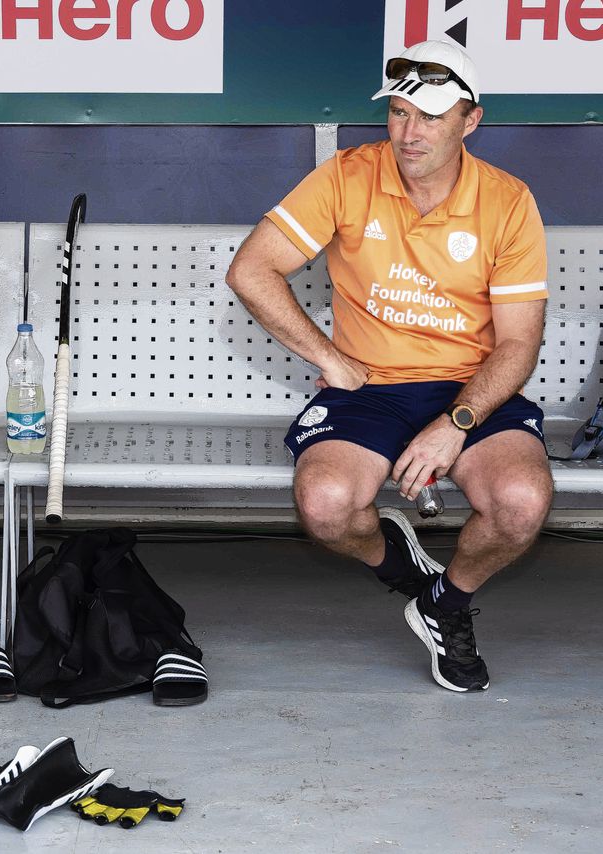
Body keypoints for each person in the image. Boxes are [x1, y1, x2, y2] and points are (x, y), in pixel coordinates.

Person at [226, 40, 552, 692]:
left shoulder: (509, 201)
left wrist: (456, 420)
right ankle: (398, 565)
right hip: (369, 385)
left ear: (472, 120)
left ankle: (443, 604)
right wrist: (329, 357)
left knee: (520, 504)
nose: (410, 132)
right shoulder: (349, 174)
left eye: (432, 116)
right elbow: (251, 269)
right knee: (324, 506)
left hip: (471, 386)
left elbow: (518, 345)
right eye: (400, 113)